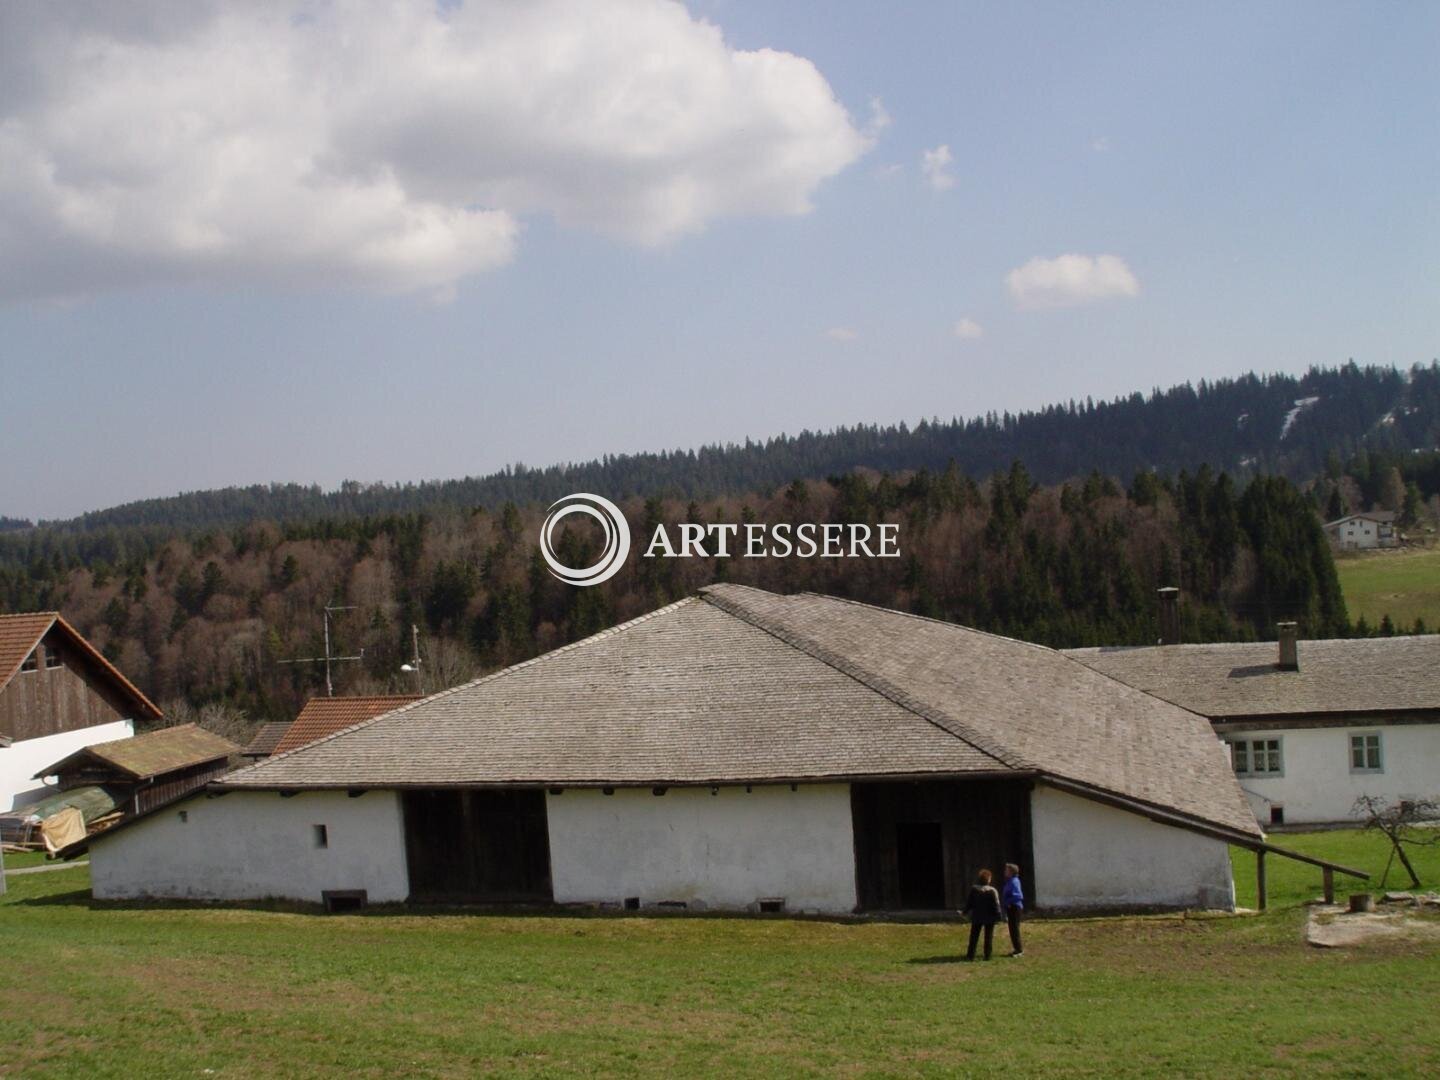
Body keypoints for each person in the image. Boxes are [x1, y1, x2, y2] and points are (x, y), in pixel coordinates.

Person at [962, 868, 1002, 961]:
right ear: (988, 879)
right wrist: (999, 915)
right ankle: (987, 955)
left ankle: (970, 955)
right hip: (989, 917)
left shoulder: (974, 890)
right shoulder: (992, 891)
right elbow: (996, 904)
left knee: (974, 936)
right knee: (988, 936)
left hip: (977, 916)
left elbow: (969, 903)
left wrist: (965, 912)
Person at [1002, 862, 1025, 957]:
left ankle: (1019, 950)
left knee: (1014, 928)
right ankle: (1016, 948)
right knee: (1012, 929)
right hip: (1011, 907)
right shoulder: (1010, 881)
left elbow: (1019, 895)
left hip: (1014, 907)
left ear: (1011, 872)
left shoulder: (1014, 881)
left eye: (1006, 870)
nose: (1005, 871)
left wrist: (1009, 901)